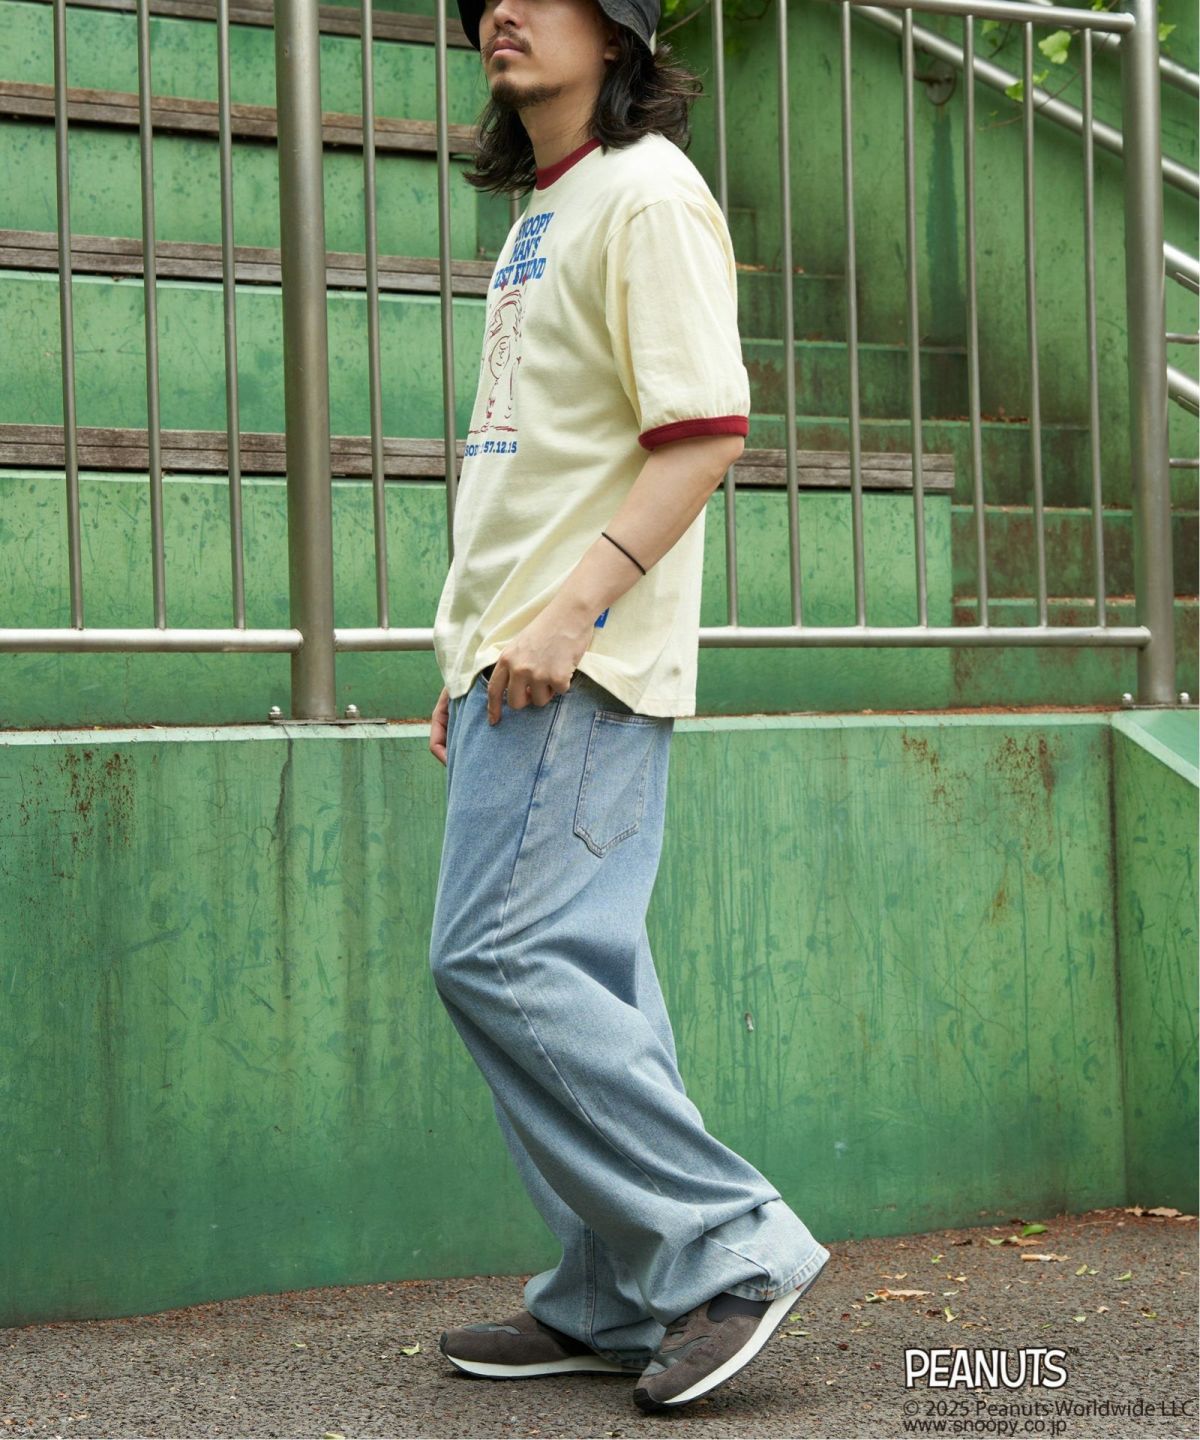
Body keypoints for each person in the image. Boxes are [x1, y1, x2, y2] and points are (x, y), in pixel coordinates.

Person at [426, 0, 830, 1413]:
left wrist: (567, 613)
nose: (502, 11)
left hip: (577, 657)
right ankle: (611, 1291)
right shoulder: (551, 208)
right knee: (585, 976)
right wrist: (468, 650)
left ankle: (728, 1251)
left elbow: (702, 434)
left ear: (619, 32)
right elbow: (533, 463)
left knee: (496, 957)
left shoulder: (648, 193)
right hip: (517, 657)